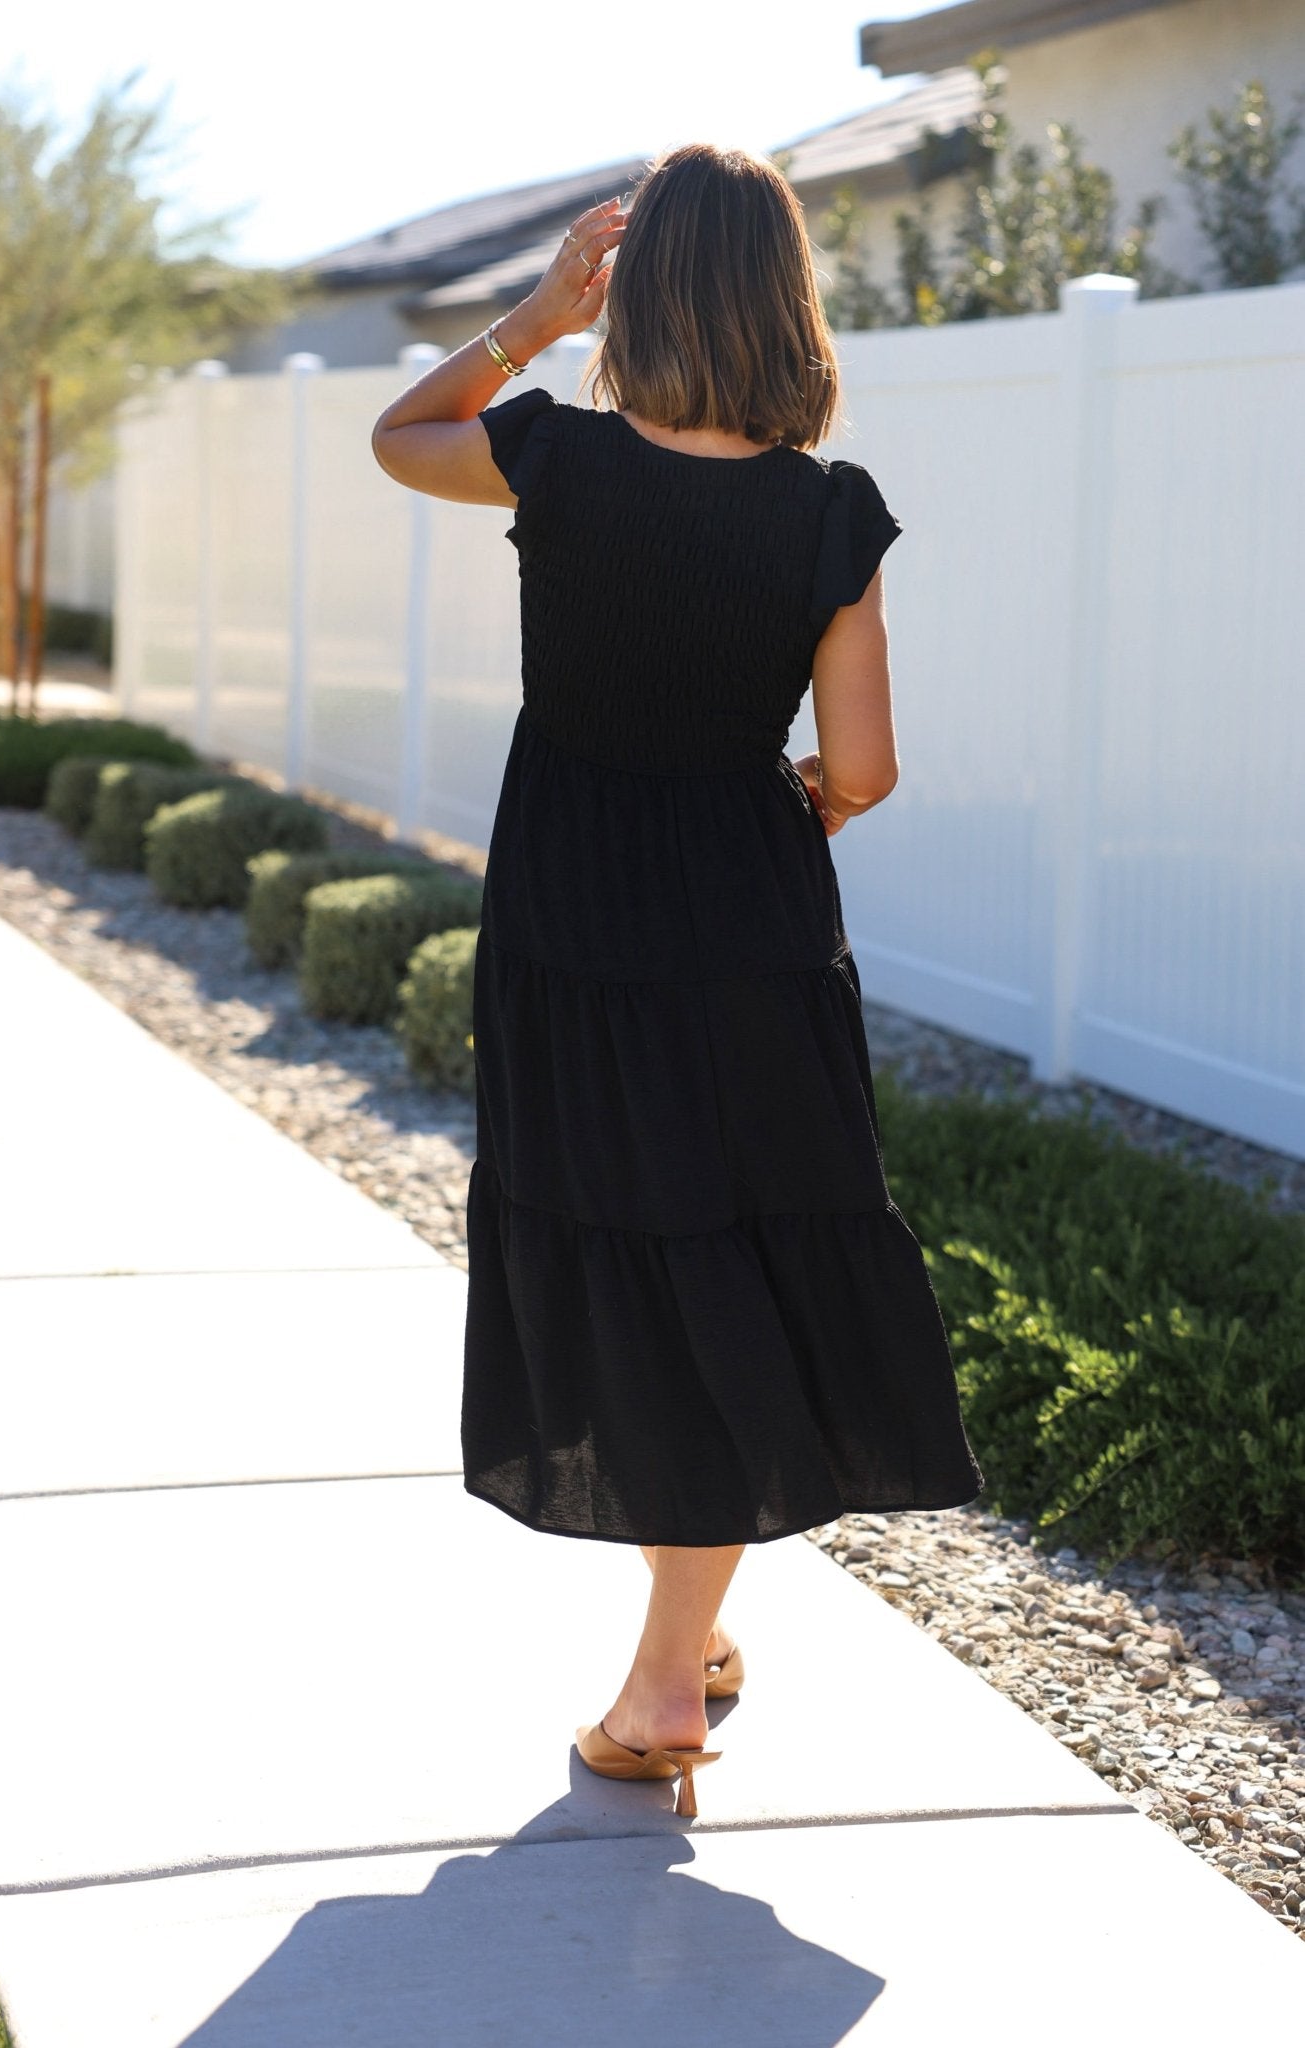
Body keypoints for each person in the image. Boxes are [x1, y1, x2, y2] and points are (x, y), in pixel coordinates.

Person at [372, 141, 985, 1820]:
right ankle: (683, 1640)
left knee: (634, 1251)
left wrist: (529, 315)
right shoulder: (826, 512)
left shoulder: (555, 463)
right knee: (734, 1248)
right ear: (786, 300)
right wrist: (781, 805)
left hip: (574, 924)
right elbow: (859, 766)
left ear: (631, 291)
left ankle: (663, 1681)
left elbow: (396, 436)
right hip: (750, 923)